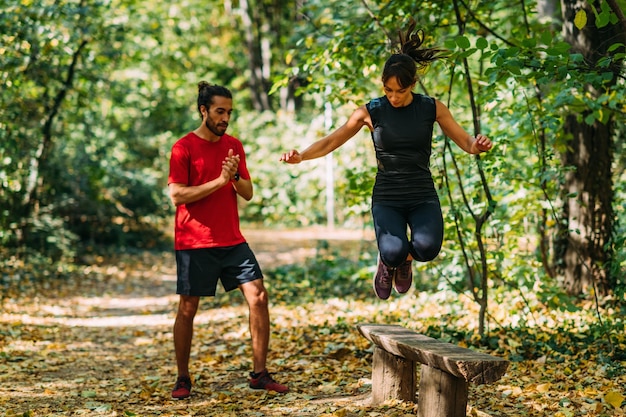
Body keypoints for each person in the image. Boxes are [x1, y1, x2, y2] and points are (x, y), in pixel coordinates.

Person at [279, 22, 493, 300]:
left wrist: (477, 146)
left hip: (421, 193)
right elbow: (332, 140)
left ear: (412, 85)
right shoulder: (371, 111)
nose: (393, 96)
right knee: (391, 249)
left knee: (427, 249)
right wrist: (302, 156)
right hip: (388, 194)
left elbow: (466, 143)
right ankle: (390, 260)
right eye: (388, 90)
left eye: (399, 91)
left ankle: (405, 260)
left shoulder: (432, 108)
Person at [168, 81, 288, 399]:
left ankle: (259, 374)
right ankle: (182, 378)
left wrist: (233, 177)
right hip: (194, 241)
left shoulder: (233, 145)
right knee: (187, 308)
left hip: (232, 240)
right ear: (203, 110)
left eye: (229, 112)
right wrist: (219, 180)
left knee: (258, 297)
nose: (225, 118)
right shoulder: (183, 147)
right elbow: (177, 195)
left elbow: (247, 193)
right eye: (220, 112)